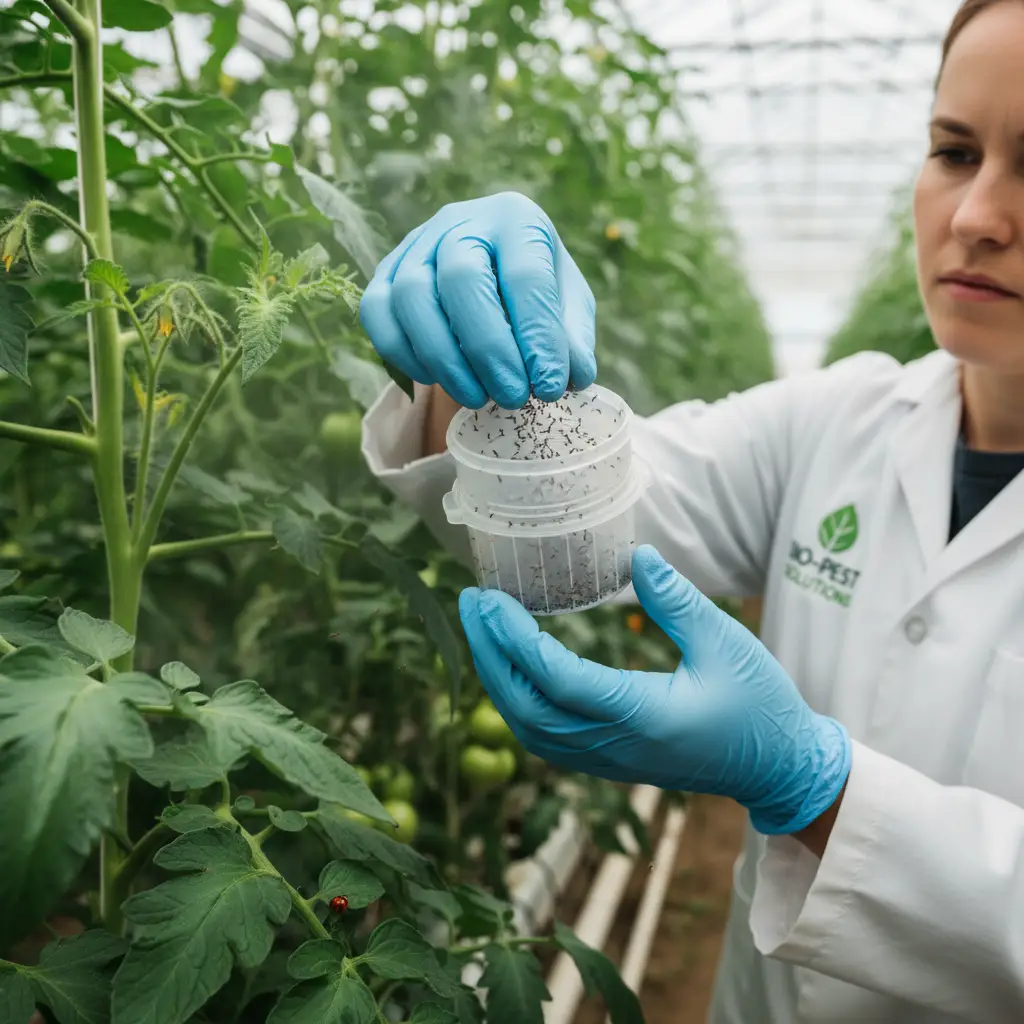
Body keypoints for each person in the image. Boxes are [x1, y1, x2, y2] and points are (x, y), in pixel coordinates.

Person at [357, 0, 1024, 1019]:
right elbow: (585, 516)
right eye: (951, 150)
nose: (975, 214)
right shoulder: (836, 417)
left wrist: (820, 788)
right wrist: (470, 364)